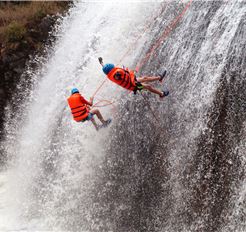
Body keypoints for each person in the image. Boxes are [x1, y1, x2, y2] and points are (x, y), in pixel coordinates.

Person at [99, 57, 169, 97]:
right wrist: (118, 74)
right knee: (148, 87)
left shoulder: (109, 73)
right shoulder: (115, 75)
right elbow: (116, 76)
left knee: (145, 78)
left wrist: (101, 62)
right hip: (134, 85)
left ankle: (159, 78)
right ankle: (161, 94)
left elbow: (104, 67)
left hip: (133, 80)